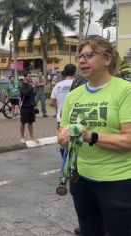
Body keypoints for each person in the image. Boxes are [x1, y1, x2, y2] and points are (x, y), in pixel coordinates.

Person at [58, 35, 131, 236]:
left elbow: (129, 139)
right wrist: (63, 138)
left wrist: (91, 137)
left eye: (89, 55)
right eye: (80, 56)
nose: (81, 60)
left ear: (107, 59)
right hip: (80, 179)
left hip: (118, 182)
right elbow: (62, 134)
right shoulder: (74, 95)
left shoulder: (125, 91)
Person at [19, 72, 38, 143]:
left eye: (31, 76)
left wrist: (34, 105)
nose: (30, 78)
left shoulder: (30, 85)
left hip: (31, 106)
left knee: (30, 122)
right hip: (24, 106)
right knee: (23, 122)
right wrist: (32, 87)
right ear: (25, 77)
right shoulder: (22, 85)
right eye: (29, 76)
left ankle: (32, 137)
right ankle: (22, 137)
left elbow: (32, 96)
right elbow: (25, 94)